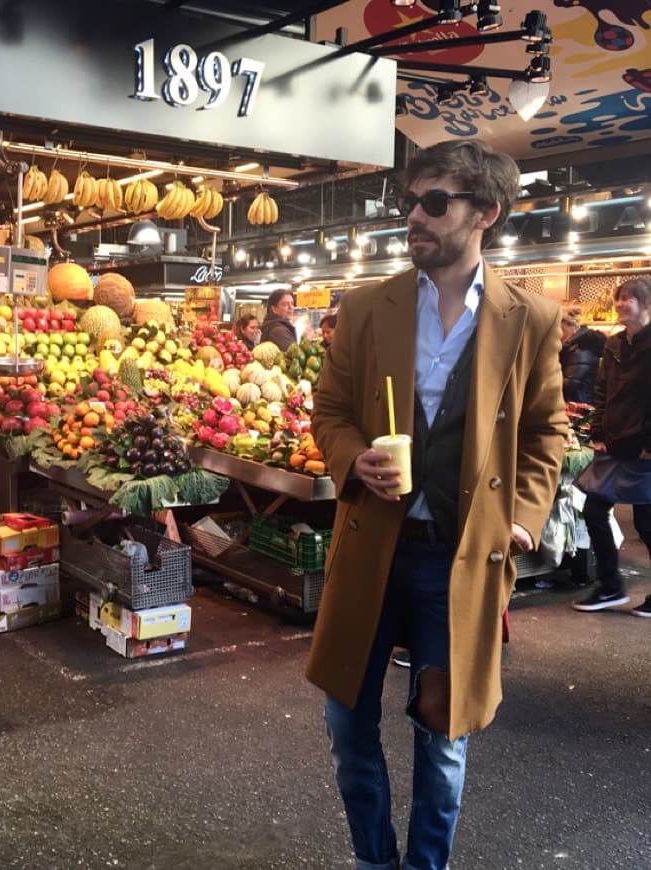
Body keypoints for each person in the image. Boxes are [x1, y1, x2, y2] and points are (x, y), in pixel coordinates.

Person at [308, 139, 568, 870]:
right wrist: (349, 456)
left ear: (485, 212)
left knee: (443, 733)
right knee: (347, 722)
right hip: (372, 549)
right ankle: (373, 859)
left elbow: (548, 429)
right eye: (409, 202)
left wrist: (523, 516)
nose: (413, 218)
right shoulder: (366, 306)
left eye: (434, 202)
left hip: (462, 559)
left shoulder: (532, 318)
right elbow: (328, 410)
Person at [572, 276, 651, 615]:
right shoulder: (613, 344)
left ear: (646, 304)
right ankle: (610, 586)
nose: (620, 304)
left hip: (644, 447)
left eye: (628, 299)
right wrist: (598, 432)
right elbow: (601, 391)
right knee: (593, 511)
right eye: (619, 298)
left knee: (647, 525)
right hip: (613, 444)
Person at [559, 305, 605, 405]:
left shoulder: (581, 350)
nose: (558, 333)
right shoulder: (574, 347)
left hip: (579, 408)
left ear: (569, 326)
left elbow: (567, 385)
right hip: (577, 404)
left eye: (560, 329)